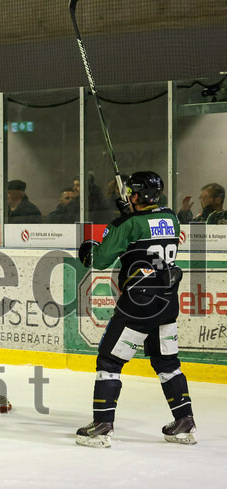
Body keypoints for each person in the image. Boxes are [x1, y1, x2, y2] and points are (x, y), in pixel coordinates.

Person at [75, 171, 195, 448]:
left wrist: (90, 248)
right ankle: (184, 421)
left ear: (138, 195)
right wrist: (130, 213)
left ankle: (102, 425)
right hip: (167, 302)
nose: (128, 196)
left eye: (132, 192)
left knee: (109, 361)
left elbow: (101, 260)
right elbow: (150, 227)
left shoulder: (126, 223)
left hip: (138, 304)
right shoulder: (172, 218)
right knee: (168, 363)